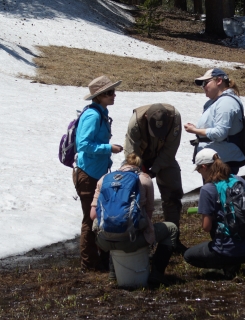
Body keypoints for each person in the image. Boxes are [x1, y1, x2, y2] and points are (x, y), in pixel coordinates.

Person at [90, 153, 178, 285]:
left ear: (122, 165)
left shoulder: (104, 179)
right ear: (140, 166)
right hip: (131, 240)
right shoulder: (144, 179)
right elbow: (148, 215)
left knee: (111, 225)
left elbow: (93, 215)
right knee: (171, 229)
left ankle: (113, 275)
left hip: (104, 242)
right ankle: (157, 274)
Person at [73, 75, 124, 272]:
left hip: (96, 172)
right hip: (88, 175)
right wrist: (108, 148)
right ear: (100, 96)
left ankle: (101, 261)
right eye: (110, 92)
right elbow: (83, 144)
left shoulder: (101, 113)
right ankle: (89, 265)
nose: (114, 95)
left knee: (98, 217)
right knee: (90, 219)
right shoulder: (93, 115)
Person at [183, 148, 245, 278]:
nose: (199, 173)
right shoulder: (239, 180)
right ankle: (235, 262)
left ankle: (226, 266)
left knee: (188, 256)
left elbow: (206, 227)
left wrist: (206, 214)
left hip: (227, 250)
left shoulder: (207, 190)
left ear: (204, 167)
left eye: (199, 170)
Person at [123, 103, 187, 253]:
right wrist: (141, 173)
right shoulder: (136, 123)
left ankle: (173, 239)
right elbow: (132, 154)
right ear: (146, 118)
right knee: (135, 194)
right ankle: (138, 239)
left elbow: (171, 149)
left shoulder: (174, 118)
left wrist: (155, 169)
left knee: (173, 194)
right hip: (140, 158)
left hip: (164, 156)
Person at [184, 68, 245, 175]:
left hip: (222, 162)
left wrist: (195, 131)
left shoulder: (226, 102)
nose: (203, 86)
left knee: (219, 191)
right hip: (214, 161)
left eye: (206, 83)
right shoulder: (216, 102)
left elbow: (220, 133)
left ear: (219, 81)